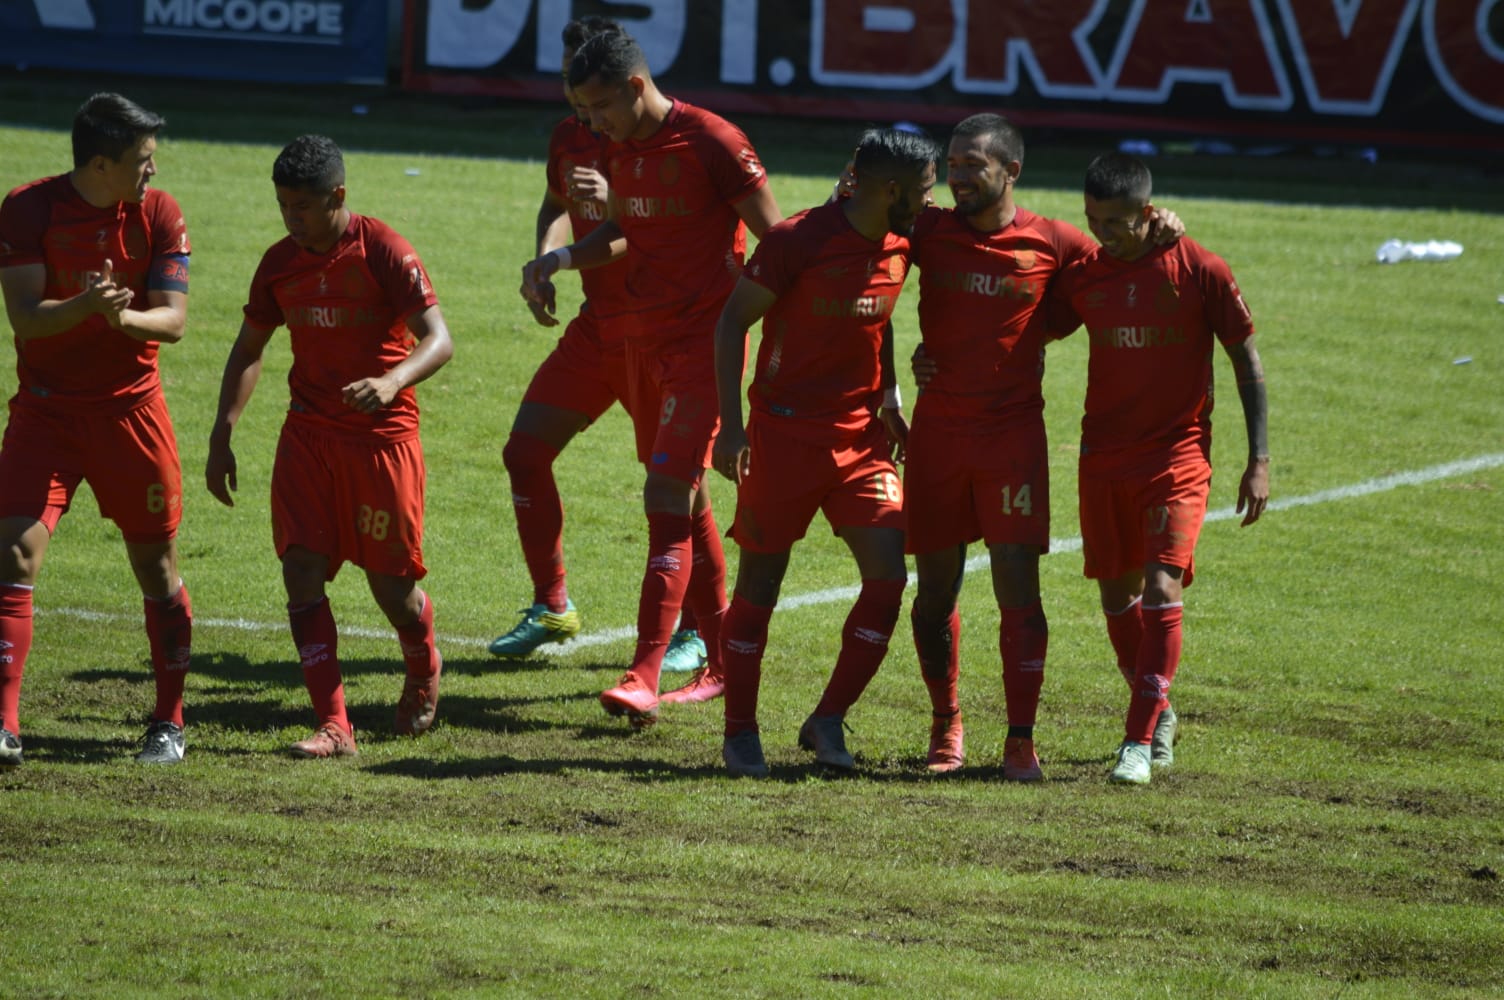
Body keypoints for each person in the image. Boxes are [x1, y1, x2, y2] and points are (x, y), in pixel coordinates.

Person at [903, 115, 1183, 779]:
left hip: (1011, 441)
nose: (958, 176)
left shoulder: (1056, 242)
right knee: (933, 595)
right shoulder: (928, 229)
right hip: (938, 435)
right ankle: (948, 726)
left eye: (973, 165)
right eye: (953, 164)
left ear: (1011, 172)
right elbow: (855, 250)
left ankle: (1020, 740)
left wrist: (1163, 230)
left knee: (1017, 595)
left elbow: (1122, 262)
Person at [521, 29, 782, 726]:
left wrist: (780, 349)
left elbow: (779, 247)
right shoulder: (618, 148)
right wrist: (562, 260)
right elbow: (622, 229)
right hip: (641, 342)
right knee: (685, 499)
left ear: (636, 85)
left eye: (600, 105)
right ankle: (723, 662)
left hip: (704, 345)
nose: (592, 123)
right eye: (582, 108)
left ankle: (643, 673)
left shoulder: (714, 141)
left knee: (665, 491)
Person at [206, 135, 454, 758]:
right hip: (308, 438)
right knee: (301, 572)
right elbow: (249, 349)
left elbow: (439, 339)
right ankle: (334, 724)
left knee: (391, 589)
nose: (291, 218)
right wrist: (222, 431)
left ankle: (424, 667)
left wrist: (392, 380)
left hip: (380, 443)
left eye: (303, 206)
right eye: (284, 205)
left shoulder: (383, 251)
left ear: (337, 196)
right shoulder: (279, 263)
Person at [712, 127, 934, 777]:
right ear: (889, 189)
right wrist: (732, 428)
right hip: (782, 436)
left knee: (889, 577)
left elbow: (880, 314)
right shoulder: (796, 243)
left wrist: (890, 395)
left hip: (862, 439)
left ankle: (827, 718)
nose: (931, 200)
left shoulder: (902, 240)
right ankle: (740, 732)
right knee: (760, 586)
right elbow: (731, 323)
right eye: (924, 190)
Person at [1043, 151, 1269, 784]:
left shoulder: (1199, 268)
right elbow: (1028, 329)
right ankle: (1159, 707)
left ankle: (1136, 743)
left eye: (1115, 222)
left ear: (1147, 213)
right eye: (1093, 220)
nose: (1102, 233)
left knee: (1161, 587)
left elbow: (1245, 360)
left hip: (1177, 455)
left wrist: (1260, 459)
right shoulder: (1086, 273)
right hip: (1103, 455)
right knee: (1116, 595)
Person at [490, 16, 705, 675]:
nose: (577, 98)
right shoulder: (570, 134)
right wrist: (545, 261)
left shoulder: (654, 142)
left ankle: (693, 632)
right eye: (567, 80)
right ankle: (551, 605)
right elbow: (554, 203)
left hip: (659, 333)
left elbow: (654, 229)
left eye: (588, 87)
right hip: (598, 327)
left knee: (675, 485)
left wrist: (616, 201)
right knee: (524, 453)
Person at [0, 93, 194, 767]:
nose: (153, 169)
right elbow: (24, 317)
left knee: (156, 566)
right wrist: (85, 305)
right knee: (14, 555)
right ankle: (4, 725)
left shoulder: (160, 213)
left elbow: (172, 320)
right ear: (102, 163)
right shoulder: (28, 209)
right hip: (47, 412)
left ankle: (168, 722)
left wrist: (122, 320)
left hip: (131, 414)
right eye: (142, 159)